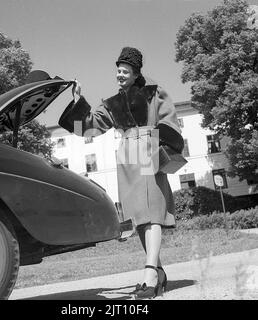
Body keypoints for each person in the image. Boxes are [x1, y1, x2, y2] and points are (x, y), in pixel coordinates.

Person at [58, 47, 184, 299]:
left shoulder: (154, 93)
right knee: (139, 217)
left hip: (149, 149)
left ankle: (149, 273)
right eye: (117, 70)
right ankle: (158, 272)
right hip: (127, 155)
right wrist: (77, 102)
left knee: (153, 213)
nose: (119, 75)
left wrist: (164, 148)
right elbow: (88, 128)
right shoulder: (112, 104)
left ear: (136, 73)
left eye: (125, 71)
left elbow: (169, 121)